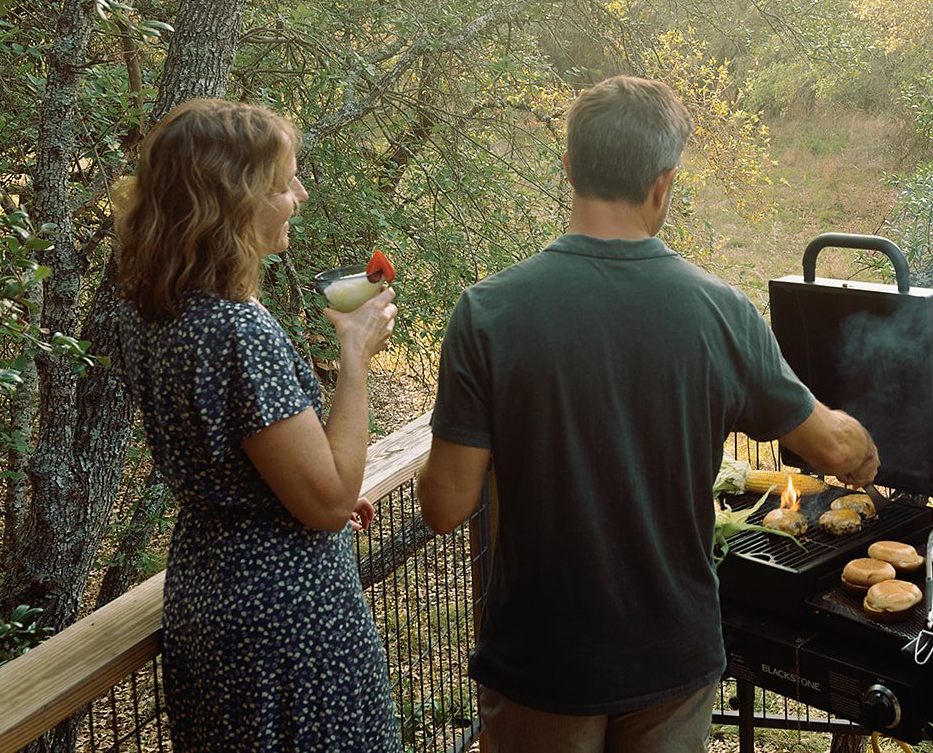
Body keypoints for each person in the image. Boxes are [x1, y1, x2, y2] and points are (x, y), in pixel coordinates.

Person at [417, 75, 880, 753]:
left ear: (570, 166)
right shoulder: (721, 313)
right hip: (672, 659)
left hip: (542, 662)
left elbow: (443, 504)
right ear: (664, 183)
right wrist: (866, 447)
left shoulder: (488, 312)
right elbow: (837, 451)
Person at [112, 97, 404, 752]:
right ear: (235, 201)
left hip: (207, 598)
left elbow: (227, 454)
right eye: (283, 184)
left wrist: (283, 492)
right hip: (288, 622)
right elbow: (328, 502)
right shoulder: (236, 328)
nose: (298, 195)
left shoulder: (152, 313)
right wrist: (353, 356)